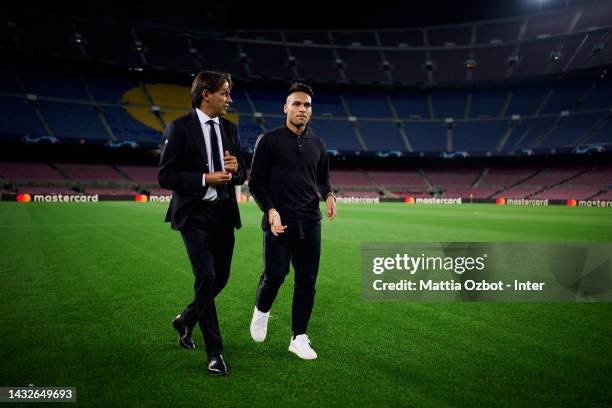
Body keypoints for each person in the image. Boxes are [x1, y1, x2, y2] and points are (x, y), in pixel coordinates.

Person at [158, 71, 246, 375]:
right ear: (206, 94)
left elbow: (242, 174)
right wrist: (204, 179)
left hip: (223, 214)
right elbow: (165, 176)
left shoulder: (231, 130)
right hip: (194, 216)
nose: (229, 98)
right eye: (224, 92)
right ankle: (215, 353)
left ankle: (185, 319)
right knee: (206, 279)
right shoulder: (180, 128)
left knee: (220, 278)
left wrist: (236, 171)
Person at [248, 82, 336, 360]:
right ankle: (262, 312)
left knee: (307, 281)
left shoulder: (318, 144)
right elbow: (256, 182)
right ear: (285, 108)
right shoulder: (269, 140)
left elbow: (322, 179)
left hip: (310, 222)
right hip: (279, 222)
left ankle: (298, 337)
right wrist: (270, 210)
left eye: (306, 105)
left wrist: (330, 195)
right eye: (296, 104)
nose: (302, 109)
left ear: (311, 111)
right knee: (275, 276)